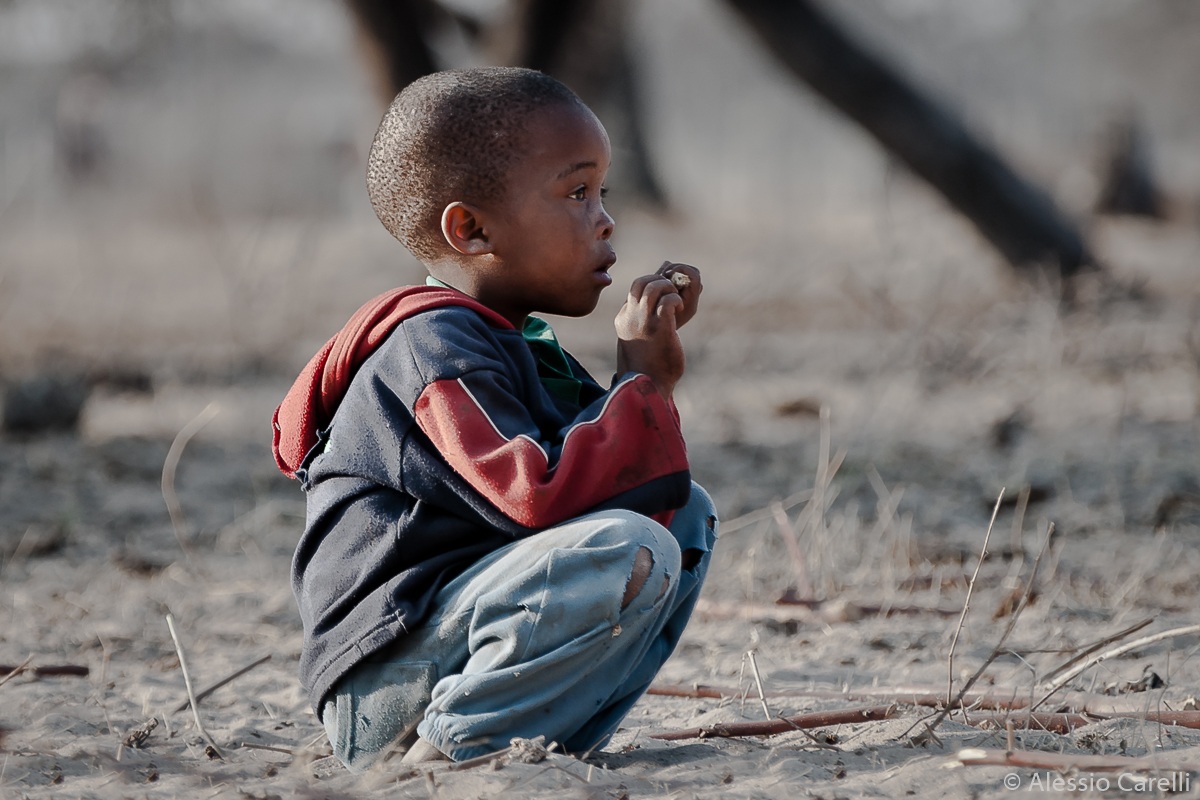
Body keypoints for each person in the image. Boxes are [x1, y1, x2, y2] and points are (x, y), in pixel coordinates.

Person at [272, 66, 718, 770]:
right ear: (473, 230)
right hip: (384, 682)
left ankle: (535, 745)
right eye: (577, 193)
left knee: (684, 515)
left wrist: (640, 379)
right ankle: (444, 758)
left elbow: (606, 484)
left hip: (455, 638)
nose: (605, 219)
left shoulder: (509, 339)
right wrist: (643, 383)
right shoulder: (434, 351)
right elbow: (538, 497)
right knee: (629, 547)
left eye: (602, 193)